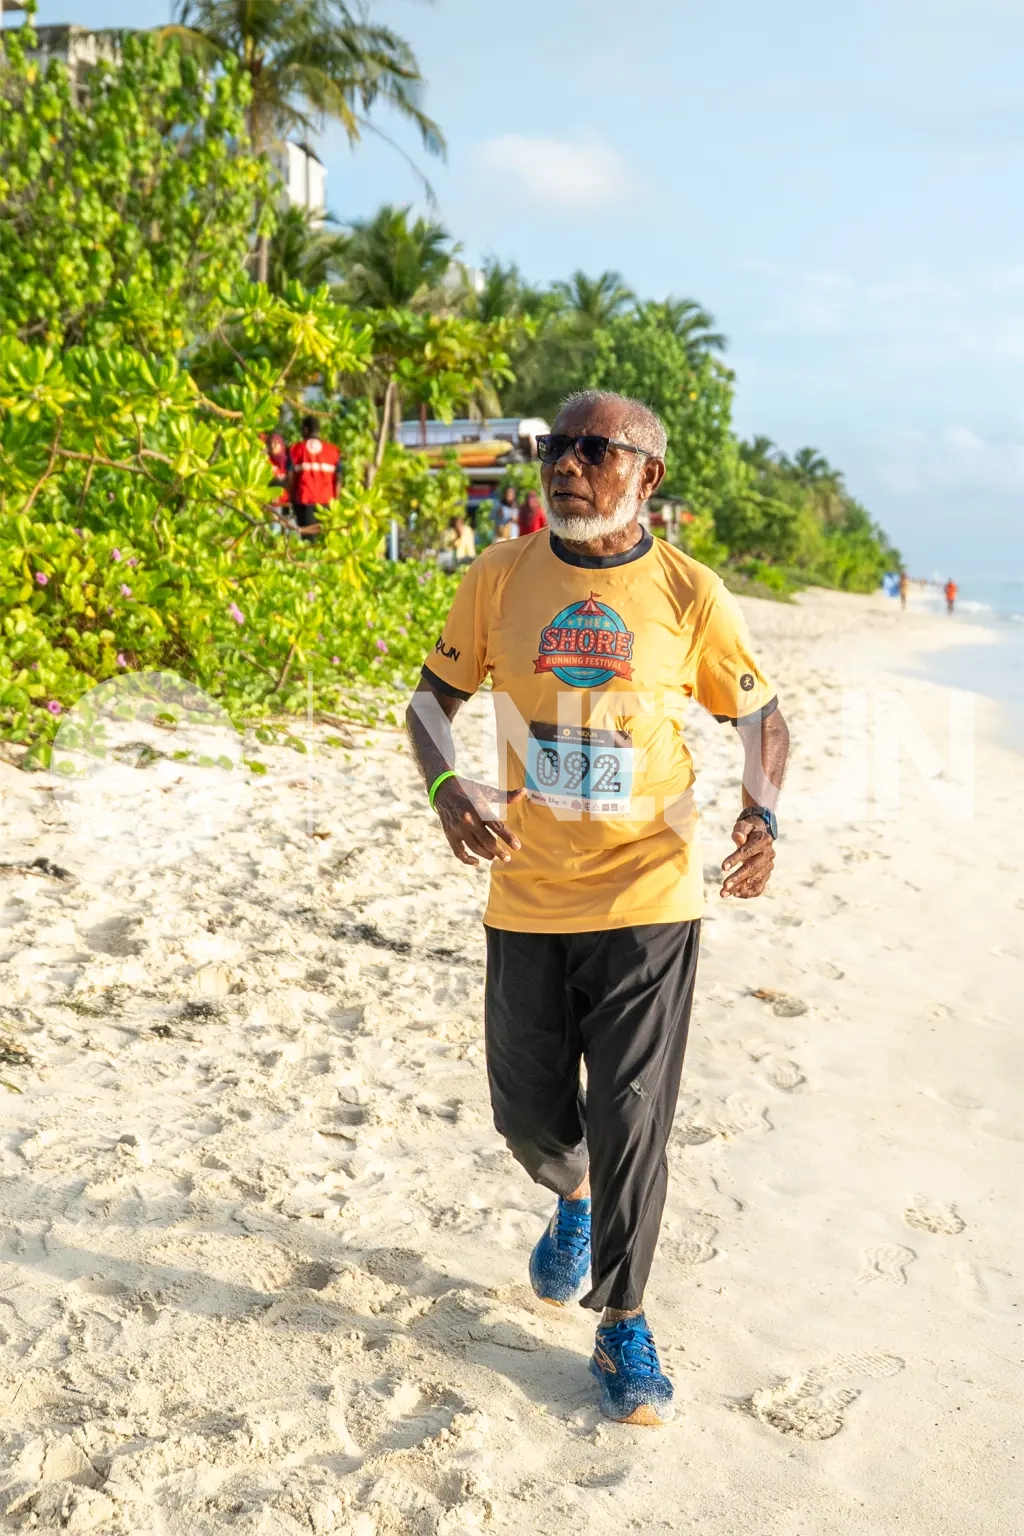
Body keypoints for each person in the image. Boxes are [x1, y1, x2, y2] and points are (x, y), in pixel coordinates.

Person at [406, 390, 789, 1427]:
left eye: (593, 449)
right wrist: (445, 787)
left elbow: (761, 718)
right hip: (527, 889)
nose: (565, 465)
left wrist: (760, 814)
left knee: (632, 1112)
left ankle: (623, 1320)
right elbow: (430, 701)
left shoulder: (689, 592)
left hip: (649, 888)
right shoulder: (498, 576)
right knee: (527, 1115)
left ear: (646, 476)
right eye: (556, 448)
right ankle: (569, 1194)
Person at [289, 415, 341, 539]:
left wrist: (292, 500)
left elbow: (290, 478)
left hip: (304, 501)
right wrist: (336, 501)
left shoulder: (296, 449)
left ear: (306, 430)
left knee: (308, 540)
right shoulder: (333, 450)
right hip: (327, 502)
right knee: (324, 539)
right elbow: (338, 479)